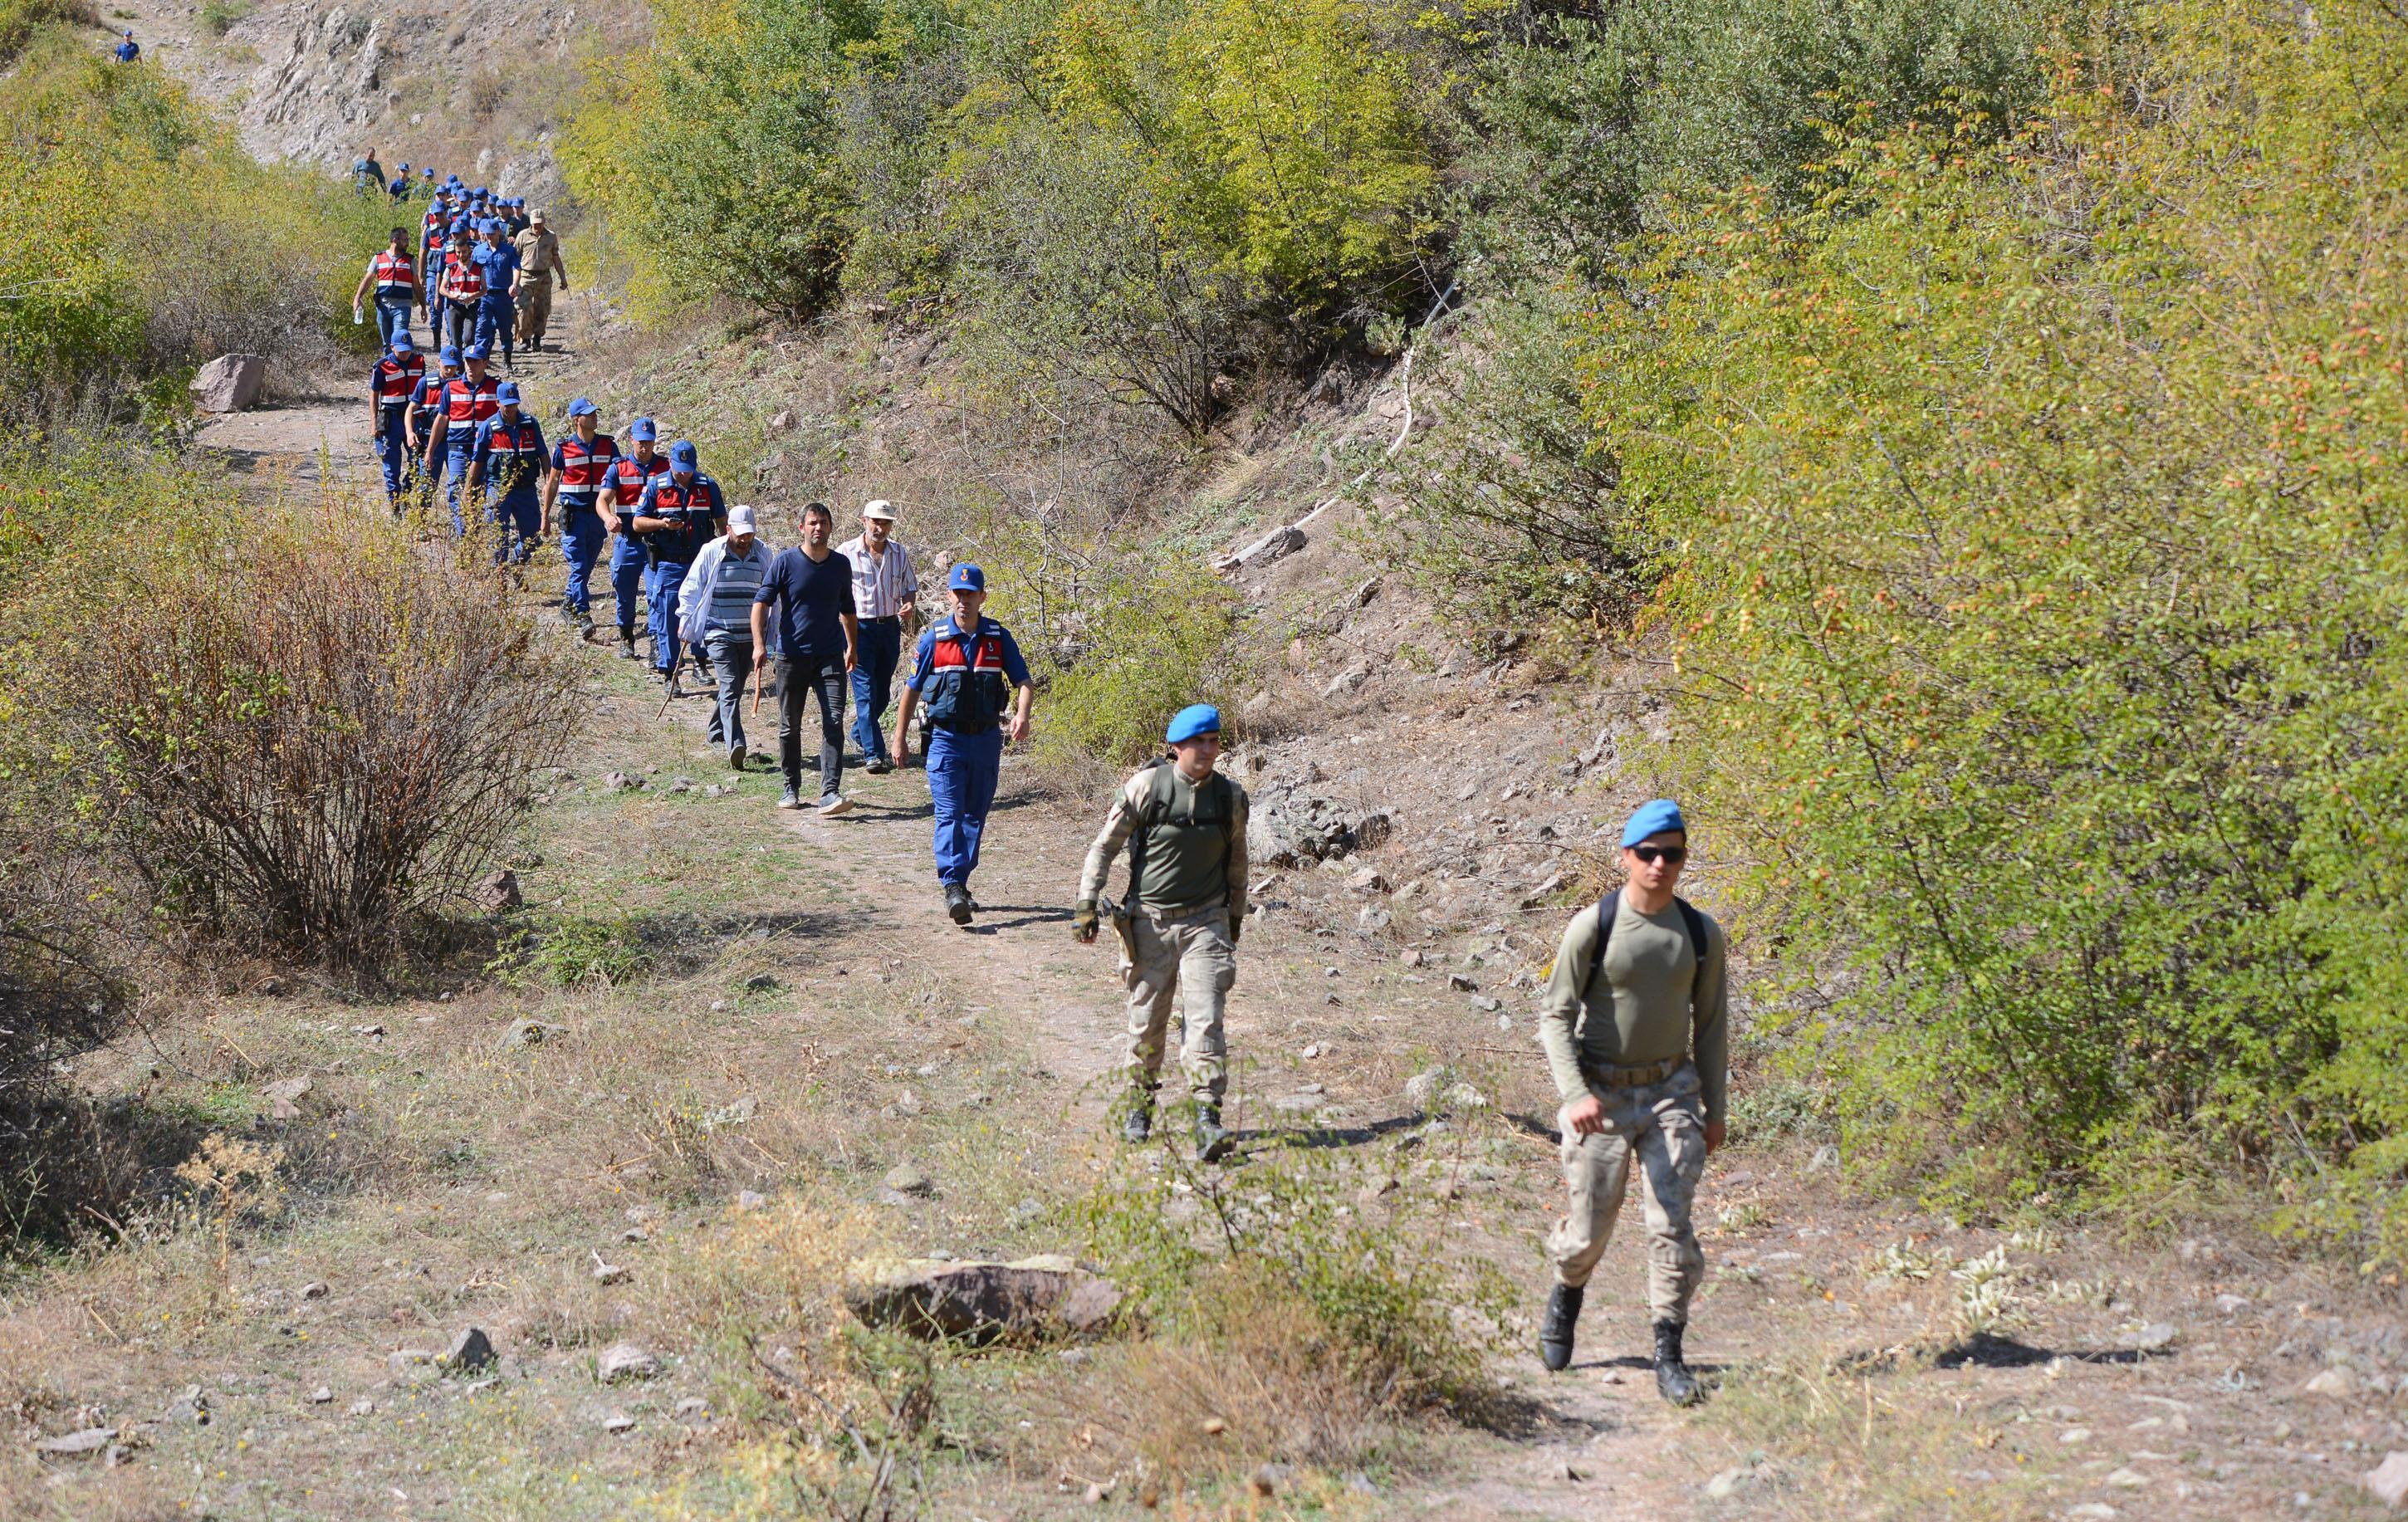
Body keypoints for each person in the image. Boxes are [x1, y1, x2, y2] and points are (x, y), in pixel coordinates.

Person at [1532, 798, 1729, 1407]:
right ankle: (1567, 1294)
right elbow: (1554, 1015)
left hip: (1672, 1092)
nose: (1660, 864)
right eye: (1648, 853)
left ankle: (1669, 1352)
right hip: (1604, 1093)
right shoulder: (1594, 926)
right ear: (1625, 857)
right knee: (1589, 1230)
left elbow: (1714, 1023)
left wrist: (1715, 1109)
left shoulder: (1699, 933)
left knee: (1671, 1225)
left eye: (1672, 854)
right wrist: (1576, 1095)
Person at [1074, 704, 1250, 1160]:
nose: (1208, 751)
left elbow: (1237, 863)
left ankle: (1207, 1118)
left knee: (1206, 1018)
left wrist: (1233, 921)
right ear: (1176, 747)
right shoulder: (1146, 788)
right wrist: (1086, 905)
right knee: (1147, 1024)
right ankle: (1140, 1106)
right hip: (1149, 924)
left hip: (1206, 923)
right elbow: (1104, 848)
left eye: (1214, 741)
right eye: (1199, 743)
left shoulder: (1230, 798)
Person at [891, 565, 1033, 926]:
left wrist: (1022, 715)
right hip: (945, 741)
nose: (963, 600)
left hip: (986, 740)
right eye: (957, 593)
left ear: (982, 597)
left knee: (975, 815)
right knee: (949, 813)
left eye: (970, 594)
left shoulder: (998, 638)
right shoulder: (934, 639)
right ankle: (952, 883)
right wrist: (899, 737)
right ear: (949, 596)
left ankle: (962, 882)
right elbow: (912, 689)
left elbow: (1023, 681)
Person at [752, 501, 858, 815]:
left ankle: (830, 792)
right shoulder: (785, 562)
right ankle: (791, 787)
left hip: (830, 657)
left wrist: (853, 645)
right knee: (790, 726)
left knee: (834, 721)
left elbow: (848, 609)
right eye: (812, 522)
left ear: (830, 528)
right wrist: (760, 644)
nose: (818, 528)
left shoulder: (840, 565)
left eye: (824, 523)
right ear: (802, 527)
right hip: (791, 657)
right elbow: (762, 603)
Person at [678, 505, 775, 770]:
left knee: (733, 687)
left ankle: (714, 730)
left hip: (751, 636)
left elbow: (772, 594)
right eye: (740, 534)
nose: (745, 540)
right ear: (728, 529)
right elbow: (692, 588)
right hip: (719, 632)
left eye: (749, 534)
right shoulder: (712, 551)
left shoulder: (763, 554)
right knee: (731, 684)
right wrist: (686, 620)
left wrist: (769, 635)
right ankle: (736, 744)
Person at [632, 442, 726, 689]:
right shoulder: (655, 486)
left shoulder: (708, 486)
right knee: (667, 616)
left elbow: (721, 523)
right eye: (680, 468)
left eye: (689, 469)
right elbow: (637, 523)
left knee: (702, 614)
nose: (684, 474)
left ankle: (701, 663)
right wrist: (662, 524)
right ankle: (670, 672)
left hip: (699, 562)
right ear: (671, 463)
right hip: (668, 562)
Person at [836, 499, 918, 773]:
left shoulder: (899, 553)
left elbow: (909, 587)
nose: (880, 528)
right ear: (864, 521)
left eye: (885, 523)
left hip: (889, 628)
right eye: (875, 522)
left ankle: (860, 733)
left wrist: (908, 603)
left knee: (882, 693)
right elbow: (833, 591)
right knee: (865, 693)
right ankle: (874, 753)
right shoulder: (846, 553)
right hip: (858, 629)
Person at [543, 397, 616, 634]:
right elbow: (552, 482)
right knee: (578, 565)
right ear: (577, 420)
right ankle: (584, 615)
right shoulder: (563, 449)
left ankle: (568, 603)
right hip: (573, 517)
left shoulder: (608, 446)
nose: (595, 417)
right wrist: (545, 516)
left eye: (596, 413)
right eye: (589, 414)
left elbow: (620, 478)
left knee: (586, 568)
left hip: (597, 517)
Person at [600, 417, 669, 660]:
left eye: (649, 442)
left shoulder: (666, 467)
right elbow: (602, 501)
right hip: (627, 541)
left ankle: (654, 643)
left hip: (656, 542)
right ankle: (627, 636)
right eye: (640, 442)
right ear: (631, 440)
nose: (644, 447)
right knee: (625, 591)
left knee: (656, 594)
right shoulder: (618, 468)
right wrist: (609, 518)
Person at [467, 382, 549, 570]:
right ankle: (501, 590)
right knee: (498, 542)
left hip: (526, 491)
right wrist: (469, 492)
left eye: (514, 404)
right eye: (507, 405)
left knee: (533, 538)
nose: (511, 408)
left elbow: (543, 455)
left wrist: (548, 481)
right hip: (498, 491)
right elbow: (477, 462)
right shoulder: (488, 427)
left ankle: (516, 562)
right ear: (497, 403)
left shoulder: (530, 423)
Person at [423, 343, 500, 536]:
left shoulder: (495, 388)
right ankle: (462, 534)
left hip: (485, 453)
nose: (470, 366)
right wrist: (430, 451)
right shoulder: (451, 388)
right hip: (457, 449)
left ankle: (474, 530)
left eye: (475, 362)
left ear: (485, 363)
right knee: (456, 491)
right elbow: (441, 419)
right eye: (467, 361)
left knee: (481, 492)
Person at [367, 331, 424, 511]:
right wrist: (374, 422)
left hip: (414, 421)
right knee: (391, 465)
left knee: (419, 461)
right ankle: (395, 504)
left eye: (408, 350)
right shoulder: (382, 367)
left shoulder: (419, 361)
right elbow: (374, 394)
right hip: (390, 421)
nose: (405, 354)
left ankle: (406, 490)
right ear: (392, 347)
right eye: (401, 351)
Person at [402, 344, 458, 515]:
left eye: (453, 366)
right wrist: (410, 432)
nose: (449, 370)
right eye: (446, 365)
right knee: (427, 483)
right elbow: (410, 409)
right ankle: (420, 521)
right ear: (438, 362)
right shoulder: (426, 382)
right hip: (428, 441)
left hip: (454, 441)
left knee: (458, 483)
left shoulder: (461, 384)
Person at [351, 226, 423, 350]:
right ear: (395, 240)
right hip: (383, 306)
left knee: (399, 341)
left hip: (403, 306)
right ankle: (389, 368)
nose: (408, 243)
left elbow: (416, 285)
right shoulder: (378, 258)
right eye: (405, 240)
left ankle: (400, 367)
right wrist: (358, 297)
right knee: (387, 344)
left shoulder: (410, 260)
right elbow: (368, 279)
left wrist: (423, 306)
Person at [511, 209, 570, 352]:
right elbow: (514, 259)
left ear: (544, 222)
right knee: (524, 308)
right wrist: (513, 281)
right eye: (534, 224)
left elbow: (556, 258)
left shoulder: (551, 237)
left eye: (540, 224)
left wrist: (563, 278)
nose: (537, 227)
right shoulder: (523, 236)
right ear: (530, 223)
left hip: (544, 277)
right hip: (525, 277)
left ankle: (537, 339)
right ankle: (525, 339)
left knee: (542, 309)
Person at [471, 218, 520, 370]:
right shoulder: (478, 251)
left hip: (504, 295)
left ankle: (508, 360)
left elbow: (517, 268)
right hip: (484, 296)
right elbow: (472, 271)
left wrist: (515, 284)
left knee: (505, 328)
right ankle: (482, 360)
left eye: (492, 233)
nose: (490, 237)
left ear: (499, 232)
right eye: (487, 234)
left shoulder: (509, 251)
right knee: (483, 328)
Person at [438, 223, 482, 353]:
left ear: (469, 251)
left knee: (468, 338)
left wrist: (474, 295)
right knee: (455, 341)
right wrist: (451, 296)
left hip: (472, 306)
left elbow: (484, 289)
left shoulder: (478, 268)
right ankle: (458, 369)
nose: (461, 255)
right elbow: (442, 289)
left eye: (464, 252)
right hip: (455, 306)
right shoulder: (450, 268)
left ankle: (470, 365)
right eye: (458, 252)